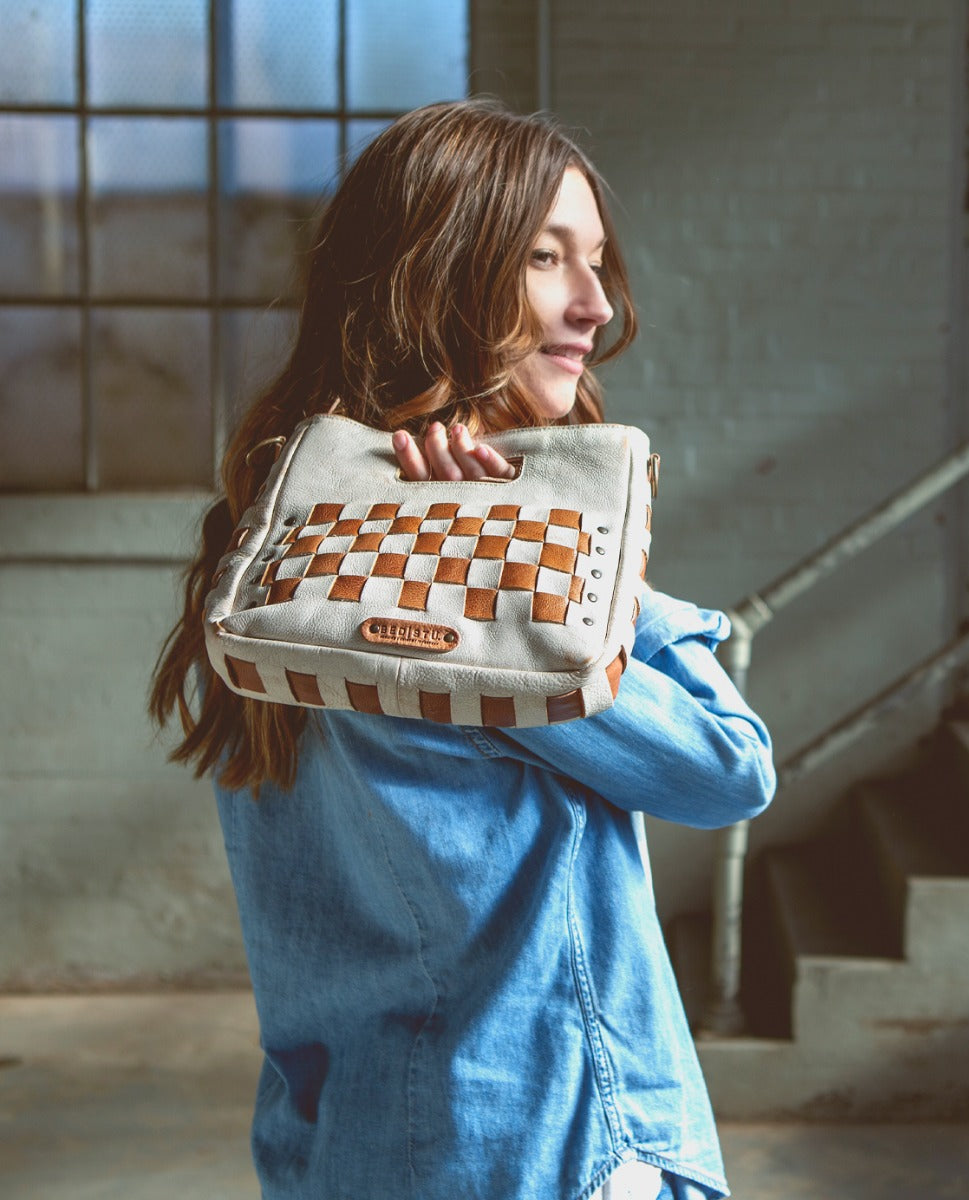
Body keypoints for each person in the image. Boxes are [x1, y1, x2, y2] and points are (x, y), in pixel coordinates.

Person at [151, 98, 775, 1200]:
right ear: (434, 275)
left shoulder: (263, 562)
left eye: (595, 261)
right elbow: (727, 766)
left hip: (342, 1145)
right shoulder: (488, 592)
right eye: (545, 258)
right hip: (551, 1144)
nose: (595, 305)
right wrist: (572, 559)